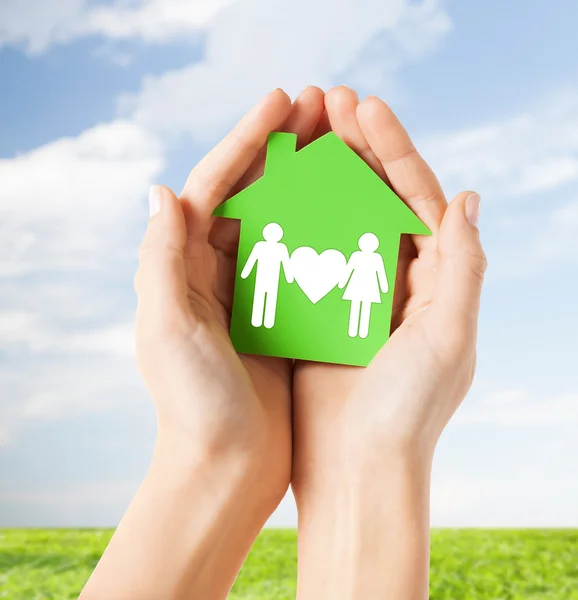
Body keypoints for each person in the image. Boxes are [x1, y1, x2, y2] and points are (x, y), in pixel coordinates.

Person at [80, 85, 485, 600]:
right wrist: (214, 450)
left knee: (351, 313)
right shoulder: (273, 251)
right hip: (282, 293)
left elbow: (344, 272)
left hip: (353, 297)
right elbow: (255, 265)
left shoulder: (356, 256)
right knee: (282, 306)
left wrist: (361, 464)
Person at [241, 222, 294, 328]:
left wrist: (289, 276)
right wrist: (245, 272)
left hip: (273, 278)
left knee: (270, 299)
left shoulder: (281, 248)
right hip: (261, 277)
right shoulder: (260, 246)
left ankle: (268, 321)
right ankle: (257, 320)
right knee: (260, 298)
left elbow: (286, 263)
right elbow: (252, 259)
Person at [339, 232, 388, 338]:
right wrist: (342, 282)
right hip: (357, 284)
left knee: (366, 308)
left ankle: (363, 332)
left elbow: (381, 272)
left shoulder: (377, 257)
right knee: (355, 307)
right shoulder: (356, 255)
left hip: (370, 286)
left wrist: (384, 286)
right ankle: (352, 331)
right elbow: (349, 269)